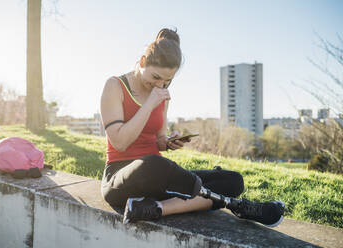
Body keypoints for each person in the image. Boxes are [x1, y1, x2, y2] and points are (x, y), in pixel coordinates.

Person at [100, 28, 284, 226]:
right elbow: (119, 142)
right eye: (155, 77)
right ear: (143, 62)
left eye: (167, 81)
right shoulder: (115, 86)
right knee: (153, 164)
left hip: (160, 177)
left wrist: (169, 142)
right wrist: (149, 105)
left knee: (233, 180)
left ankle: (155, 208)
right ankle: (234, 205)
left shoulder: (162, 95)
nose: (160, 86)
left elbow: (158, 141)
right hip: (122, 177)